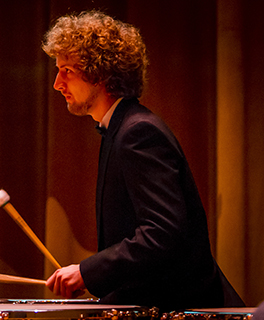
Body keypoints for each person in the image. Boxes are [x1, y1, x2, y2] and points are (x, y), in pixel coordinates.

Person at [42, 10, 244, 311]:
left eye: (67, 70)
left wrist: (87, 271)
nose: (58, 83)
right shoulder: (119, 129)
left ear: (99, 72)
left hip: (181, 308)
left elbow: (162, 232)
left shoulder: (138, 132)